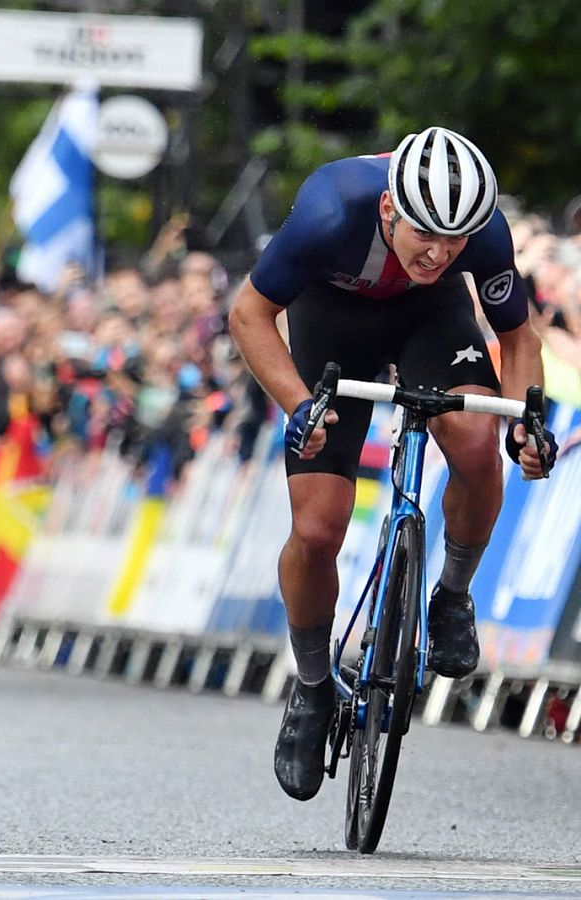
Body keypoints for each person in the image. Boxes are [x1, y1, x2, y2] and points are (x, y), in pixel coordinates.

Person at [227, 126, 556, 801]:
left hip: (428, 319)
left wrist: (526, 419)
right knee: (318, 530)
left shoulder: (482, 234)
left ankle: (452, 594)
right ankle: (314, 687)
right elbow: (250, 313)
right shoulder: (330, 209)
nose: (439, 251)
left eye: (454, 240)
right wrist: (298, 407)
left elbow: (519, 337)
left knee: (473, 442)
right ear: (389, 212)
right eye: (424, 236)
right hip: (331, 320)